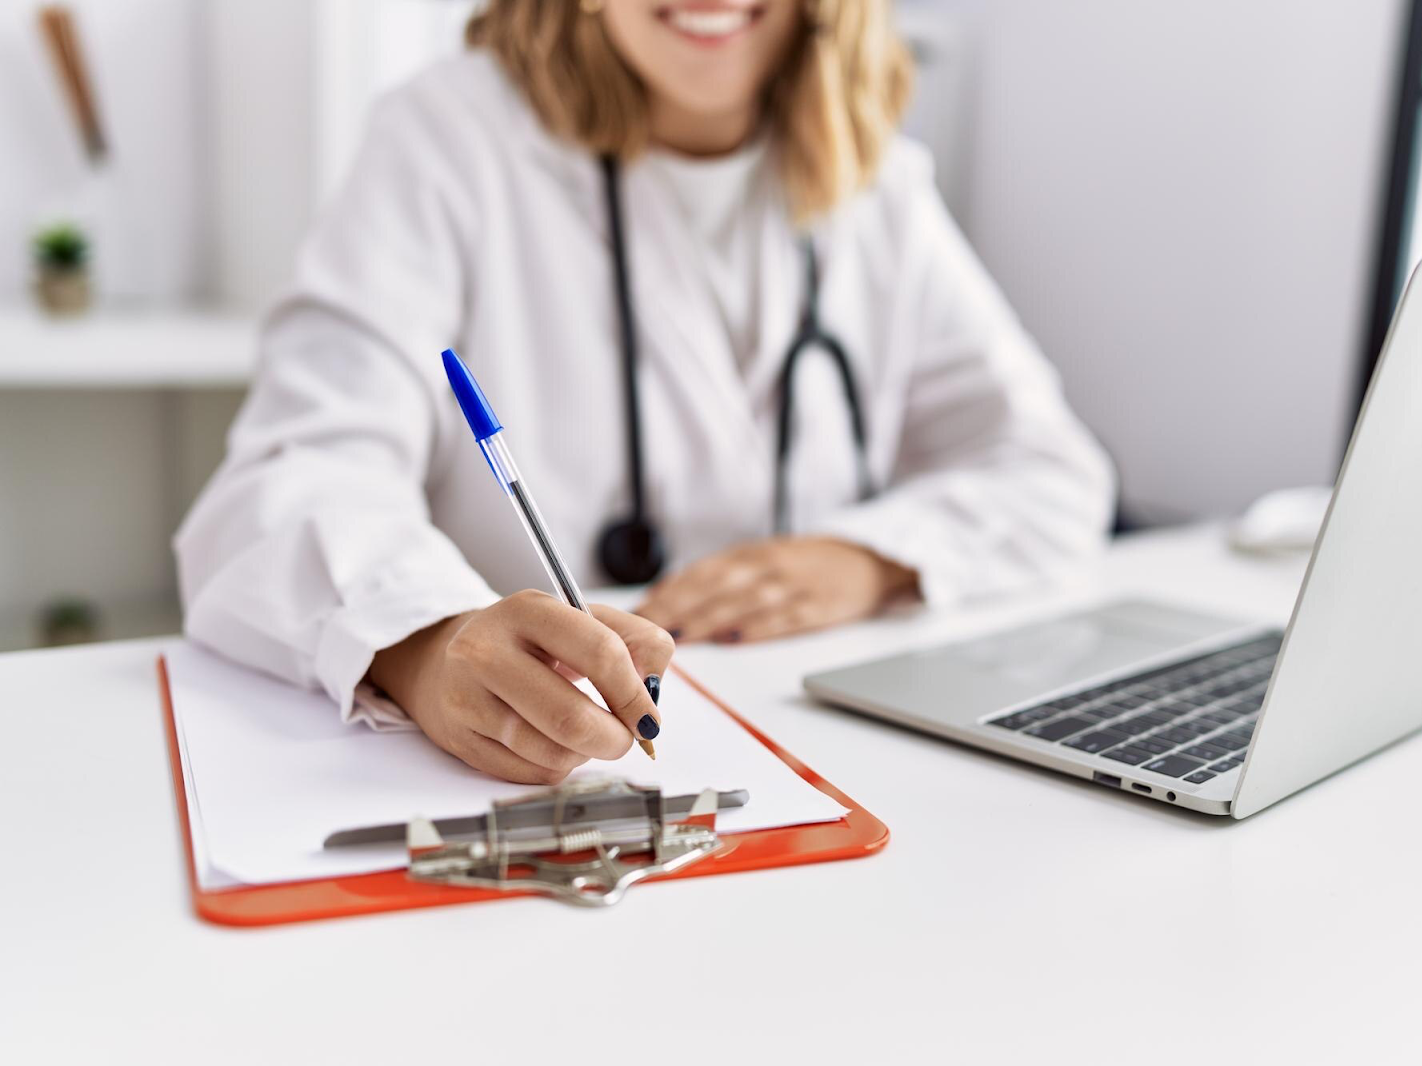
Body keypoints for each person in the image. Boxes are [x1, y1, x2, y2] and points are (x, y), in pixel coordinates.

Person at [175, 0, 1114, 785]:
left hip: (814, 757)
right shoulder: (447, 137)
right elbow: (288, 479)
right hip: (536, 783)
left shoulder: (876, 177)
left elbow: (1048, 468)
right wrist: (425, 642)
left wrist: (871, 560)